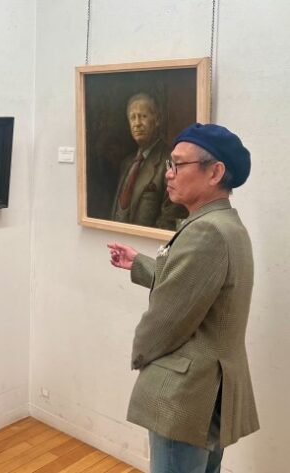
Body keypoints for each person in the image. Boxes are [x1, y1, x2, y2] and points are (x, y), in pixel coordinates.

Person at [107, 123, 258, 473]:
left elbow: (167, 318)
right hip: (211, 391)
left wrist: (139, 355)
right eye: (169, 164)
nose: (168, 173)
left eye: (178, 164)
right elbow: (195, 286)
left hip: (185, 395)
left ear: (214, 172)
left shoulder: (205, 231)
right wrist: (140, 264)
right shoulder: (226, 224)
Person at [111, 93, 187, 229]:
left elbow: (170, 218)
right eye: (132, 118)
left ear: (157, 120)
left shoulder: (170, 161)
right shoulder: (126, 164)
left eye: (143, 116)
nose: (137, 123)